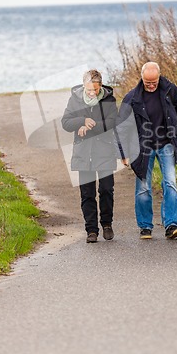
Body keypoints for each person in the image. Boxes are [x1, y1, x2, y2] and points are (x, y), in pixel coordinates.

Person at [116, 62, 177, 239]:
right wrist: (123, 152)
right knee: (143, 186)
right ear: (142, 78)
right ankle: (145, 227)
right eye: (147, 82)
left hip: (167, 144)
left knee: (170, 182)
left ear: (159, 77)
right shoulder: (132, 98)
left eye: (154, 82)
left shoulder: (170, 91)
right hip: (143, 147)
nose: (151, 85)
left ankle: (171, 225)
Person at [61, 69, 117, 243]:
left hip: (105, 151)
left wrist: (90, 126)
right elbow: (65, 123)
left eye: (95, 89)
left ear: (100, 86)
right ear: (84, 86)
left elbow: (112, 122)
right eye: (89, 90)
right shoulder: (75, 100)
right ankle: (91, 230)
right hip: (83, 153)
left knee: (106, 190)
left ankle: (106, 224)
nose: (92, 93)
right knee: (87, 193)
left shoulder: (109, 99)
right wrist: (81, 121)